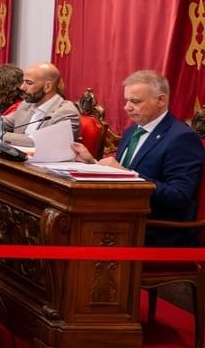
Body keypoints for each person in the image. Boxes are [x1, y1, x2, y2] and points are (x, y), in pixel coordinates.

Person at [72, 71, 205, 247]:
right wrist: (93, 163)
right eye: (126, 101)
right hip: (122, 216)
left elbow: (178, 197)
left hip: (155, 230)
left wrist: (129, 174)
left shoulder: (182, 138)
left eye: (135, 101)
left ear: (161, 100)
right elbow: (121, 174)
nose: (127, 107)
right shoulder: (131, 132)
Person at [0, 62, 80, 147]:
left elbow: (43, 142)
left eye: (29, 83)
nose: (22, 87)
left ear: (47, 86)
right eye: (23, 82)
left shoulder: (67, 113)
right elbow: (5, 121)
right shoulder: (26, 105)